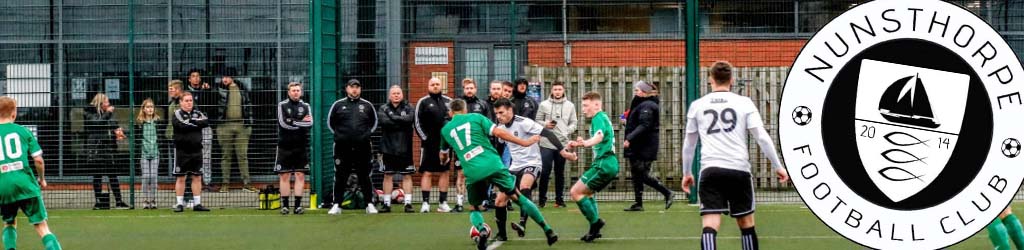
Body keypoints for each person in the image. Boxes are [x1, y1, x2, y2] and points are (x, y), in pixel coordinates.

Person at [681, 61, 788, 250]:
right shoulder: (744, 103)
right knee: (746, 224)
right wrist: (778, 166)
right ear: (731, 80)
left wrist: (687, 172)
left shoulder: (698, 105)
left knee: (710, 224)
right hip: (738, 170)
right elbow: (762, 137)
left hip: (711, 170)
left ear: (710, 79)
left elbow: (689, 143)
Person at [439, 99, 558, 249]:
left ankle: (482, 230)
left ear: (450, 113)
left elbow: (443, 155)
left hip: (472, 171)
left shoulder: (445, 130)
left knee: (474, 207)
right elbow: (499, 132)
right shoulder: (476, 117)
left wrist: (445, 159)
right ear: (465, 110)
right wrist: (524, 142)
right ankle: (547, 230)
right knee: (519, 197)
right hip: (493, 165)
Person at [0, 96, 64, 250]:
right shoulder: (23, 131)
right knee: (42, 227)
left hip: (3, 187)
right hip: (26, 185)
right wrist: (42, 179)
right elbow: (39, 160)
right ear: (14, 113)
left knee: (9, 222)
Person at [561, 91, 616, 243]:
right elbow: (599, 137)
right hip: (608, 163)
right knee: (588, 193)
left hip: (603, 163)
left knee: (575, 192)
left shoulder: (598, 117)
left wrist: (584, 143)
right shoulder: (603, 117)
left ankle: (596, 223)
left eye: (586, 105)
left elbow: (599, 136)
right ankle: (595, 228)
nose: (583, 109)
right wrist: (581, 142)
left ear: (597, 105)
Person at [492, 98, 549, 241]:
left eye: (501, 113)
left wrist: (561, 150)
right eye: (496, 114)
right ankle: (502, 235)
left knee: (524, 186)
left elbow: (546, 132)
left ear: (510, 110)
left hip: (532, 163)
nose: (498, 116)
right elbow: (499, 147)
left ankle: (522, 222)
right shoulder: (501, 128)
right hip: (514, 166)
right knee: (499, 201)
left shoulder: (524, 122)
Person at [327, 79, 378, 215]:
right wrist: (341, 136)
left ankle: (369, 204)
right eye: (352, 87)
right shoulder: (338, 105)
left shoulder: (367, 105)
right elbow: (330, 124)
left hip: (363, 147)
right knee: (340, 176)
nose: (354, 90)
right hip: (342, 147)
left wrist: (365, 136)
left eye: (357, 87)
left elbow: (374, 123)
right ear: (347, 89)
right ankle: (337, 204)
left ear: (360, 89)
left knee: (365, 175)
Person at [623, 80, 673, 212]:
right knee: (636, 173)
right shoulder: (640, 103)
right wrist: (627, 122)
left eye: (638, 90)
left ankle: (667, 192)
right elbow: (638, 122)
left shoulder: (648, 106)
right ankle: (638, 203)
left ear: (645, 92)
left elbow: (645, 125)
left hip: (644, 145)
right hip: (638, 144)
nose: (636, 92)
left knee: (642, 174)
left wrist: (629, 138)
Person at [414, 77, 453, 213]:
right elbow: (417, 122)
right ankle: (426, 203)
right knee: (428, 172)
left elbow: (455, 121)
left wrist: (451, 140)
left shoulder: (449, 102)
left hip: (446, 144)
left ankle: (443, 202)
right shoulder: (423, 102)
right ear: (428, 86)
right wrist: (425, 139)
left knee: (445, 171)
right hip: (429, 144)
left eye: (437, 84)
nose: (435, 86)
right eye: (432, 84)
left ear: (441, 86)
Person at [84, 93, 129, 209]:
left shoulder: (109, 114)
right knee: (97, 175)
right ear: (100, 103)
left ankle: (119, 201)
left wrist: (118, 131)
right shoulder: (89, 113)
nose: (109, 104)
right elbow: (97, 123)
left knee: (113, 175)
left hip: (109, 149)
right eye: (106, 102)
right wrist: (108, 113)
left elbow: (113, 125)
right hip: (96, 149)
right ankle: (98, 202)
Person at [535, 81, 576, 208]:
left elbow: (574, 122)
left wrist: (567, 131)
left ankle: (560, 200)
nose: (557, 91)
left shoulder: (570, 105)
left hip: (562, 144)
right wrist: (545, 124)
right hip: (546, 143)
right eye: (555, 89)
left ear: (563, 91)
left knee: (560, 172)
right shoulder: (543, 105)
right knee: (545, 172)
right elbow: (537, 121)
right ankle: (542, 200)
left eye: (559, 89)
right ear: (551, 91)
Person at [377, 85, 416, 213]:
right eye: (393, 93)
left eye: (398, 93)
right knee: (388, 175)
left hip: (405, 148)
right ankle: (387, 204)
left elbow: (409, 120)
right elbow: (384, 123)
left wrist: (393, 117)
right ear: (389, 95)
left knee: (407, 176)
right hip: (388, 148)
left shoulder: (409, 107)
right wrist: (400, 121)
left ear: (402, 95)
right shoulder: (383, 108)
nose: (396, 95)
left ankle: (408, 203)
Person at [456, 78, 492, 212]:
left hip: (478, 145)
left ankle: (479, 203)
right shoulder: (457, 104)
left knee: (480, 174)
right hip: (461, 146)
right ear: (463, 89)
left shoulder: (482, 104)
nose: (469, 90)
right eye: (467, 88)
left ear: (475, 89)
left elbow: (487, 123)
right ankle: (459, 204)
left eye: (471, 88)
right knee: (461, 174)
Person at [216, 69, 255, 192]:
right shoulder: (218, 90)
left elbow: (248, 105)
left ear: (232, 77)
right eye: (223, 76)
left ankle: (247, 183)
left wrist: (249, 123)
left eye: (226, 76)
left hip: (242, 126)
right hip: (224, 126)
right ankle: (225, 183)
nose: (224, 79)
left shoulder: (242, 89)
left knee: (242, 156)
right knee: (226, 155)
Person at [276, 82, 313, 215]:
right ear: (288, 92)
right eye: (293, 90)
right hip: (284, 145)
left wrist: (293, 121)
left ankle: (297, 206)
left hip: (301, 145)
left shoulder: (306, 106)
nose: (296, 92)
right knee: (284, 175)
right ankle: (285, 206)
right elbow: (283, 123)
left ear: (301, 92)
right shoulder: (282, 105)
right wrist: (300, 122)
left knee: (300, 174)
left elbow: (310, 123)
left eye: (298, 90)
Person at [172, 92, 212, 212]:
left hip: (197, 150)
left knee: (197, 176)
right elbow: (182, 125)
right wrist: (196, 123)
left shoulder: (198, 113)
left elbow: (206, 122)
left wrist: (193, 121)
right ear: (181, 102)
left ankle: (197, 203)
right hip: (181, 150)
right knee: (181, 177)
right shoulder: (177, 113)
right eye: (186, 100)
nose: (189, 103)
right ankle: (179, 204)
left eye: (191, 100)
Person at [185, 69, 215, 192]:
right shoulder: (186, 94)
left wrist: (206, 91)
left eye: (198, 76)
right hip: (191, 128)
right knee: (191, 155)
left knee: (206, 156)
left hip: (205, 127)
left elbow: (211, 105)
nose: (196, 78)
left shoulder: (206, 91)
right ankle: (191, 182)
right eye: (193, 76)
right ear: (189, 79)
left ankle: (207, 182)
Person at [136, 98, 162, 210]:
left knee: (154, 176)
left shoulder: (158, 121)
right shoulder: (139, 123)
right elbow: (137, 139)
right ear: (143, 109)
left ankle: (153, 200)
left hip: (155, 152)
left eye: (152, 107)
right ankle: (145, 200)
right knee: (146, 176)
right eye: (148, 107)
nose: (150, 109)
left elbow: (160, 138)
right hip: (144, 153)